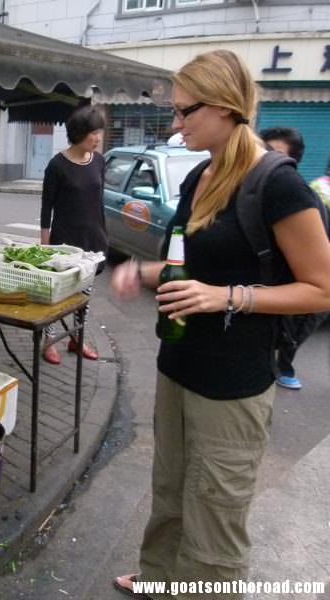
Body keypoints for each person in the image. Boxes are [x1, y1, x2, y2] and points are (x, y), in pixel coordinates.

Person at [111, 50, 330, 599]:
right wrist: (142, 270)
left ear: (228, 107)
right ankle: (161, 579)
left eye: (185, 111)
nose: (175, 123)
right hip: (179, 364)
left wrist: (225, 297)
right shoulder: (201, 176)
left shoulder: (277, 185)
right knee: (170, 489)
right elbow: (190, 264)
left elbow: (322, 287)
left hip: (234, 381)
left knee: (215, 507)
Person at [40, 106, 107, 364]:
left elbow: (98, 202)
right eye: (93, 133)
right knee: (57, 295)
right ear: (78, 133)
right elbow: (47, 209)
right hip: (63, 242)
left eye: (99, 132)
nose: (97, 138)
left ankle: (76, 339)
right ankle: (49, 340)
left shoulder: (99, 162)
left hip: (92, 241)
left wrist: (104, 236)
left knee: (84, 296)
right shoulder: (57, 166)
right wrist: (45, 247)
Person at [259, 127, 325, 390]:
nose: (263, 157)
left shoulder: (297, 193)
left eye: (271, 152)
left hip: (303, 282)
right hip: (271, 288)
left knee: (296, 328)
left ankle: (283, 365)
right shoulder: (255, 190)